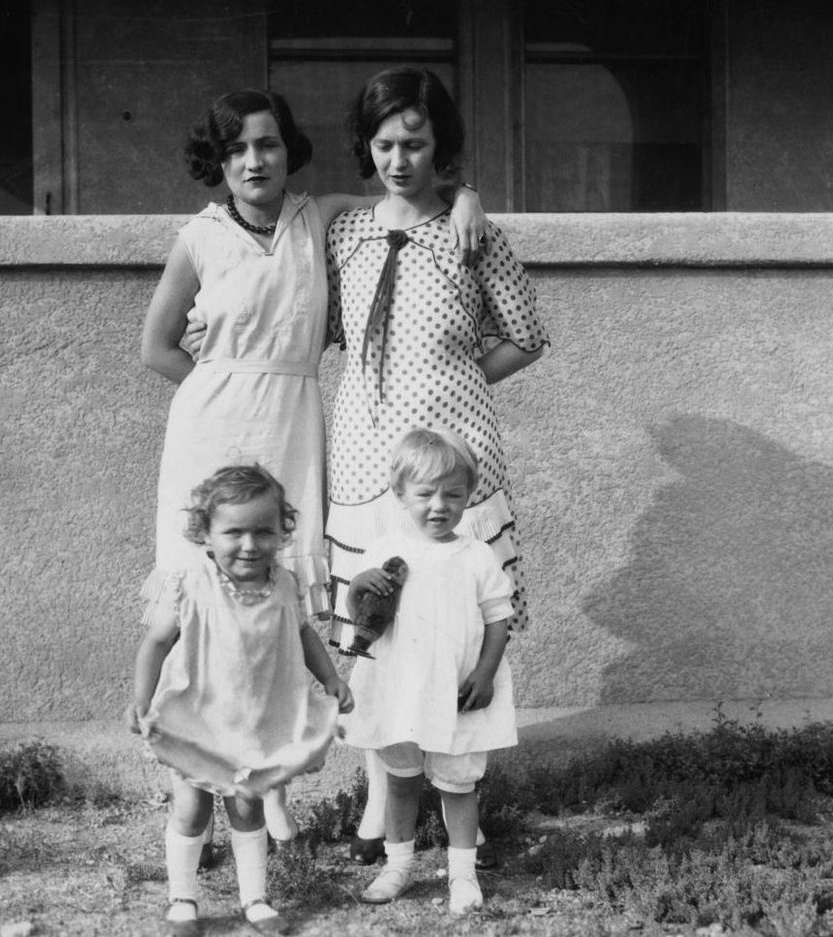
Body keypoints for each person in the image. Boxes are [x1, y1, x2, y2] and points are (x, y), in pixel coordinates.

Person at [141, 88, 486, 857]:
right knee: (218, 609)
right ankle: (251, 794)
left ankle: (277, 772)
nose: (254, 161)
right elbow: (158, 347)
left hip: (294, 426)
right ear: (219, 161)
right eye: (236, 151)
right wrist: (220, 389)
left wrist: (469, 197)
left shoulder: (319, 215)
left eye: (266, 144)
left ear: (285, 149)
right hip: (211, 435)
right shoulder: (197, 237)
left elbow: (404, 188)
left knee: (284, 604)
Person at [323, 66, 549, 867]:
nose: (398, 158)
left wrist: (452, 379)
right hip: (362, 453)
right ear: (367, 147)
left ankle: (460, 801)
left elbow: (525, 332)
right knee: (373, 622)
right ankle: (383, 800)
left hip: (453, 459)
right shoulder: (343, 231)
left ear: (439, 147)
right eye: (384, 143)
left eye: (415, 143)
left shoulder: (471, 230)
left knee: (449, 618)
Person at [128, 464, 354, 936]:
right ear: (205, 533)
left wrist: (330, 678)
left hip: (252, 721)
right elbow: (154, 644)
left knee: (247, 807)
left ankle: (255, 898)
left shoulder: (286, 584)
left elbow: (304, 635)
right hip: (196, 718)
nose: (249, 545)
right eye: (234, 532)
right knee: (192, 809)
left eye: (263, 532)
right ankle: (182, 900)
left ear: (281, 531)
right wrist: (141, 700)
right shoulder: (191, 583)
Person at [343, 427, 517, 915]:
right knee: (400, 779)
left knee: (458, 782)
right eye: (424, 494)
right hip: (400, 686)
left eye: (453, 495)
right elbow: (360, 610)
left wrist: (485, 673)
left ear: (469, 497)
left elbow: (499, 619)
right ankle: (398, 865)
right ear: (401, 494)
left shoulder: (477, 555)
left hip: (456, 687)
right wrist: (358, 583)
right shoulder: (384, 550)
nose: (438, 505)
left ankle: (462, 875)